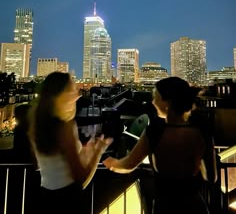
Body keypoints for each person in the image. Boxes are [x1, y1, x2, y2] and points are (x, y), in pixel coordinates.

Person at [103, 76, 217, 214]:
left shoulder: (155, 130)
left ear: (167, 101)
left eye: (156, 97)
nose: (153, 102)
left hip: (166, 206)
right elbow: (211, 177)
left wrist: (111, 163)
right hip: (195, 206)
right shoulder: (201, 130)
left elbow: (129, 165)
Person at [28, 71, 113, 214]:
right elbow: (81, 179)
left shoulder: (37, 125)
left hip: (43, 199)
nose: (78, 95)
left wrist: (83, 154)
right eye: (72, 90)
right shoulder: (65, 127)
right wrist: (98, 152)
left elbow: (53, 168)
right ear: (59, 95)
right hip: (67, 202)